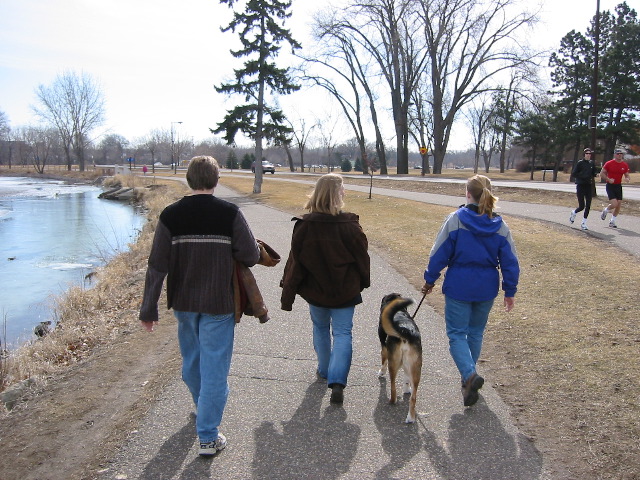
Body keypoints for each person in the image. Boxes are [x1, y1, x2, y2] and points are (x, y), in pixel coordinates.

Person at [139, 155, 260, 456]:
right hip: (219, 304)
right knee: (214, 370)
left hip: (184, 302)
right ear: (217, 180)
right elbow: (250, 255)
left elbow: (157, 265)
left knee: (192, 364)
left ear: (189, 180)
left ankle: (202, 408)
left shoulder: (170, 215)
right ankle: (208, 435)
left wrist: (148, 309)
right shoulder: (229, 213)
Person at [422, 174, 519, 407]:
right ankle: (469, 377)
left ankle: (469, 374)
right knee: (475, 333)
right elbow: (510, 261)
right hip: (486, 286)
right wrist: (510, 290)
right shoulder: (500, 226)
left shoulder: (455, 220)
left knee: (457, 333)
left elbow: (439, 253)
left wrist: (429, 279)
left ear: (468, 194)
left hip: (459, 284)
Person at [280, 173, 370, 404]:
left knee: (320, 327)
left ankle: (325, 369)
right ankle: (337, 380)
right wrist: (362, 281)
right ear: (338, 194)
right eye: (343, 189)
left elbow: (295, 263)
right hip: (345, 291)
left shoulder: (305, 226)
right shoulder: (350, 225)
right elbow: (363, 258)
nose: (345, 192)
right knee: (343, 333)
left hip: (316, 291)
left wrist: (288, 293)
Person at [600, 148, 631, 228]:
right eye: (618, 154)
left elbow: (627, 174)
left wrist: (627, 178)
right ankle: (606, 210)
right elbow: (602, 174)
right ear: (614, 155)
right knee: (614, 204)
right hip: (610, 186)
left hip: (618, 185)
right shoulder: (609, 163)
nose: (620, 155)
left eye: (621, 154)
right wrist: (608, 179)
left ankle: (612, 221)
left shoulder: (624, 164)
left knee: (619, 204)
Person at [569, 148, 598, 230]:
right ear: (584, 155)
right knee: (582, 206)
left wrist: (596, 174)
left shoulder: (591, 163)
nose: (588, 155)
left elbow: (593, 172)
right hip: (580, 185)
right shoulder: (580, 163)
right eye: (587, 153)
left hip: (588, 186)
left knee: (588, 205)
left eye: (589, 154)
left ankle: (583, 222)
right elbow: (574, 173)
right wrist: (582, 176)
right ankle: (574, 213)